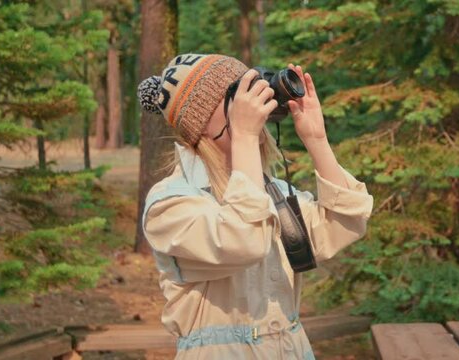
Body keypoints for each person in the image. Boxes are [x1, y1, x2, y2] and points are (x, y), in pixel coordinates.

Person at [137, 53, 374, 359]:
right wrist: (245, 137)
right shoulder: (170, 203)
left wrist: (317, 139)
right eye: (236, 96)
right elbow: (244, 240)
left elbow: (348, 221)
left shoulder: (270, 193)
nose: (254, 104)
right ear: (201, 124)